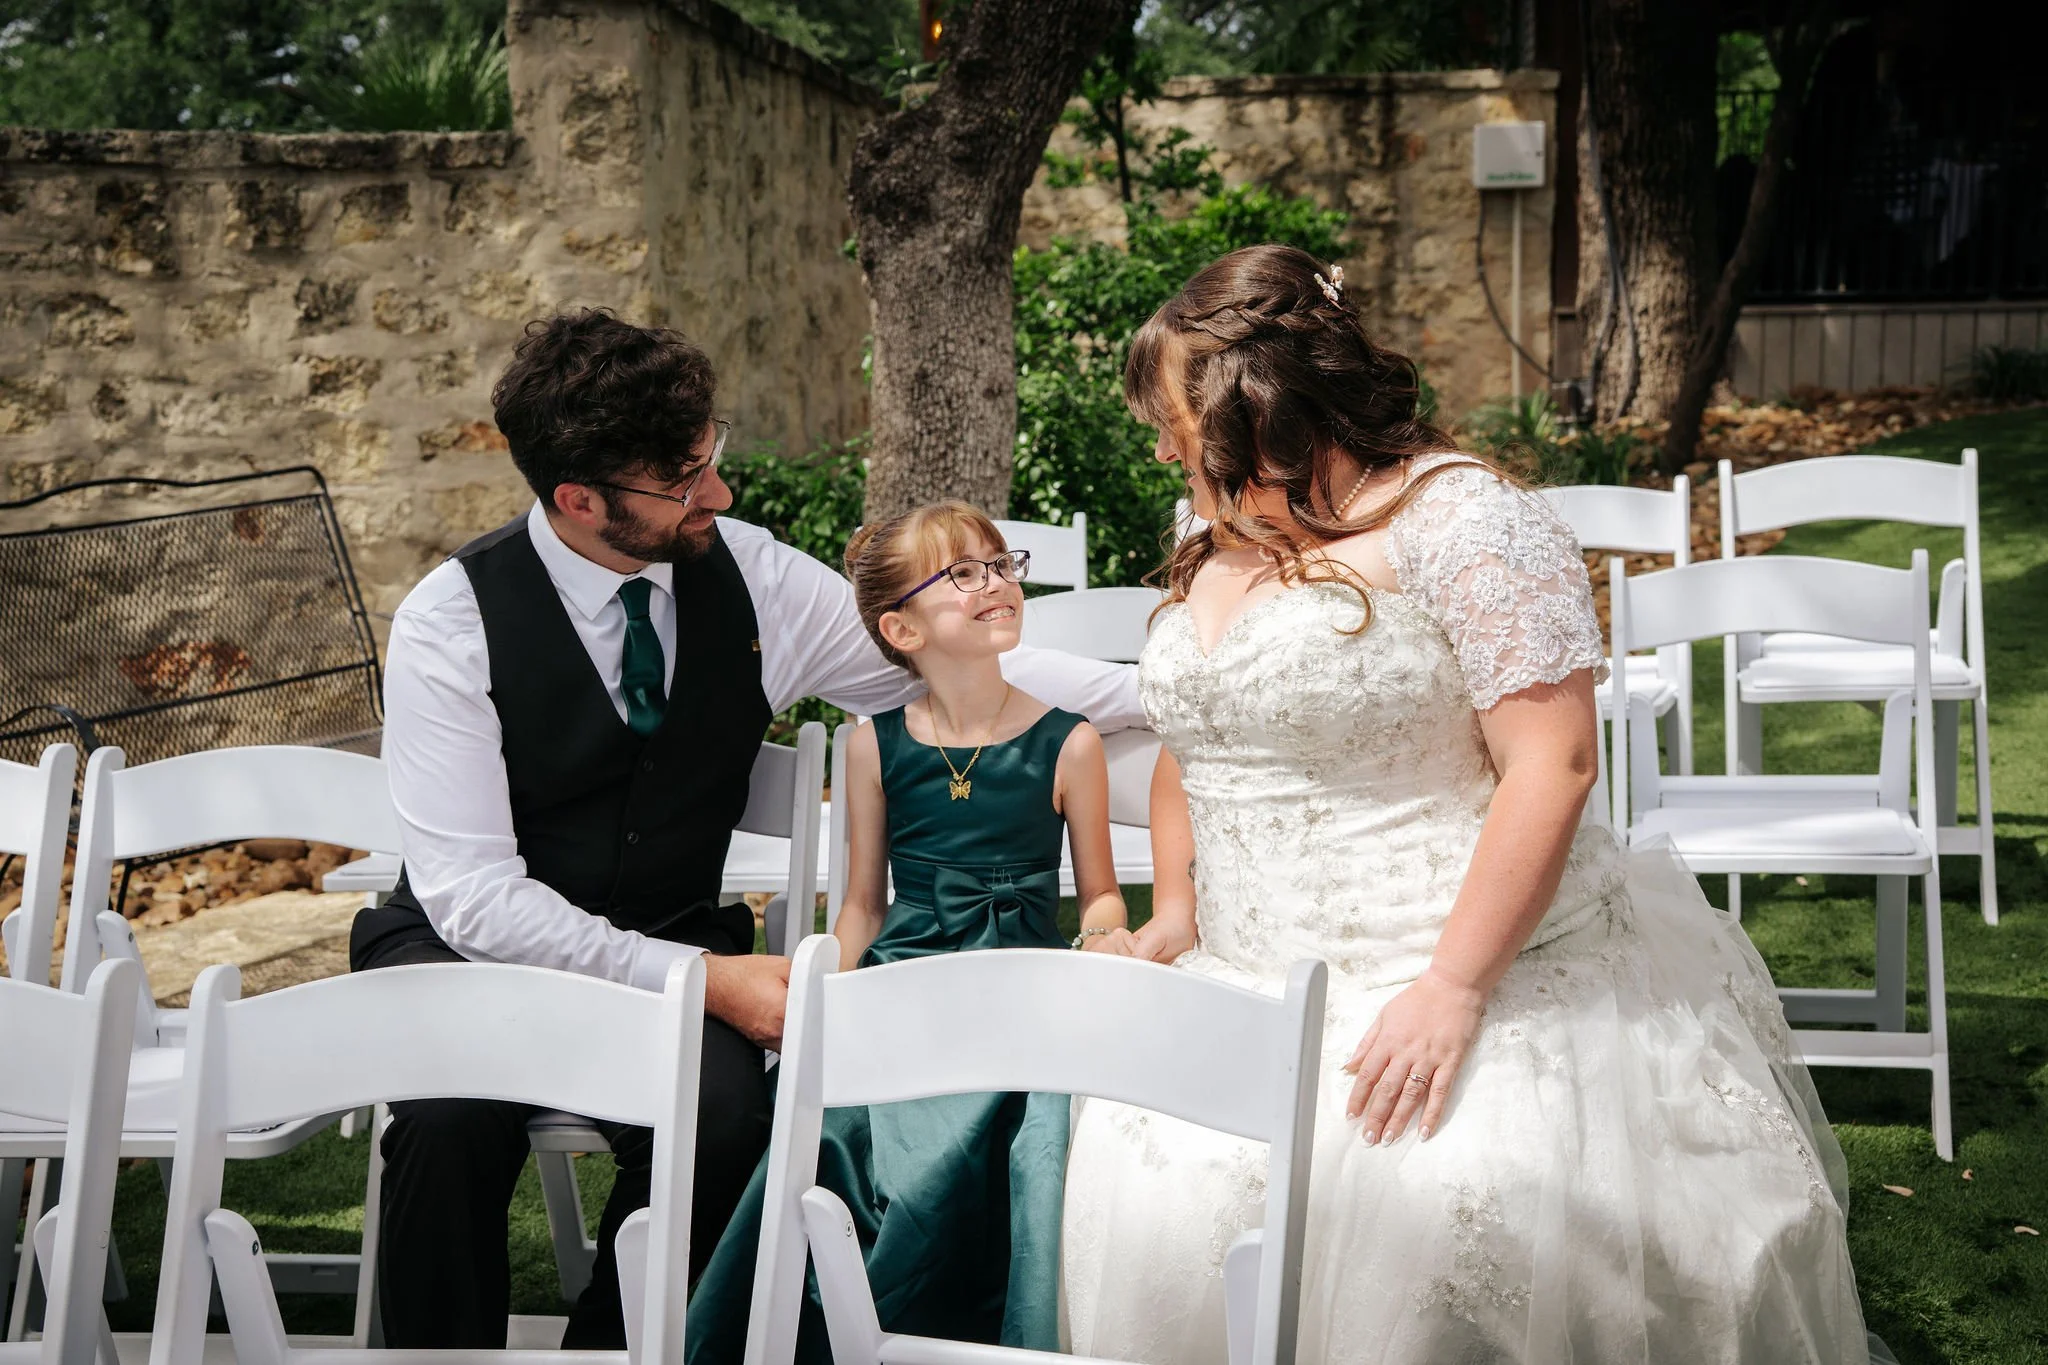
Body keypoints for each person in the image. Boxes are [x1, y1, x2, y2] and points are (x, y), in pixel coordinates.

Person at [1058, 246, 1873, 1363]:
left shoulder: (1469, 521)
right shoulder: (1210, 528)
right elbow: (1194, 747)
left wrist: (1450, 987)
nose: (1157, 446)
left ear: (1258, 398)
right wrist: (1177, 916)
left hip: (1454, 976)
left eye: (1169, 418)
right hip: (1243, 975)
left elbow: (1554, 767)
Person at [348, 310, 1143, 1349]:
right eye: (682, 480)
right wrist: (701, 981)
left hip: (676, 931)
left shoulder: (754, 575)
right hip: (468, 952)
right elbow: (473, 898)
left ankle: (624, 1350)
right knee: (448, 1125)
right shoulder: (450, 622)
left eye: (709, 457)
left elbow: (955, 671)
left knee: (732, 1120)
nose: (715, 494)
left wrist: (1169, 693)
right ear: (578, 499)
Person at [686, 502, 1135, 1362]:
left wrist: (1108, 934)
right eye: (963, 574)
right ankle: (820, 1326)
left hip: (1018, 991)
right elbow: (860, 904)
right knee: (834, 1124)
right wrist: (833, 988)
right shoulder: (872, 747)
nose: (995, 582)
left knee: (1002, 1135)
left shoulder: (1068, 743)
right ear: (900, 627)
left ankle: (946, 1323)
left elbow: (1103, 894)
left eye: (1002, 563)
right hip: (906, 975)